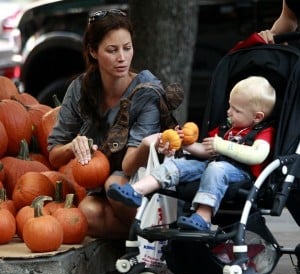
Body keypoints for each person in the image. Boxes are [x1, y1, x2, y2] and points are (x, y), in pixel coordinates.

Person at [47, 9, 164, 239]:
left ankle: (157, 232)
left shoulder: (146, 91)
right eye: (112, 50)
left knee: (114, 185)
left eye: (127, 48)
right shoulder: (80, 89)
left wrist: (148, 145)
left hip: (141, 180)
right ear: (93, 51)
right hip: (99, 184)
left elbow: (130, 166)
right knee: (87, 213)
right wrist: (72, 146)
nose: (122, 57)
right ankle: (152, 235)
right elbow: (54, 153)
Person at [107, 76, 276, 231]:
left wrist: (221, 145)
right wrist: (185, 144)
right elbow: (205, 151)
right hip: (210, 165)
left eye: (236, 110)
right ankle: (136, 190)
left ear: (257, 117)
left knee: (217, 169)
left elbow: (257, 155)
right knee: (177, 165)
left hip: (240, 174)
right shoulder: (228, 129)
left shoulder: (262, 132)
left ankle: (203, 216)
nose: (228, 112)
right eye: (230, 106)